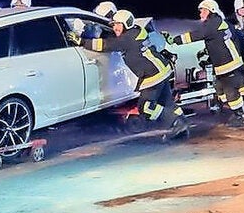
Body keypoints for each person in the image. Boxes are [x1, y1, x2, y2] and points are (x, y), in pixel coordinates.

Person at [73, 9, 188, 140]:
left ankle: (175, 123)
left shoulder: (126, 39)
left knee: (145, 107)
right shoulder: (137, 31)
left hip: (152, 75)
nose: (114, 28)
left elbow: (105, 45)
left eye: (117, 24)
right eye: (113, 25)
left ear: (126, 24)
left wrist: (81, 41)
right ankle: (181, 125)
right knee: (167, 103)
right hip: (162, 70)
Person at [168, 0, 244, 128]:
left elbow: (195, 35)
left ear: (210, 10)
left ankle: (239, 116)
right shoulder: (217, 22)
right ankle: (240, 109)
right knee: (220, 89)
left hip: (228, 65)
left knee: (230, 92)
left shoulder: (213, 23)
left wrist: (174, 39)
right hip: (226, 65)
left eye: (203, 10)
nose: (200, 13)